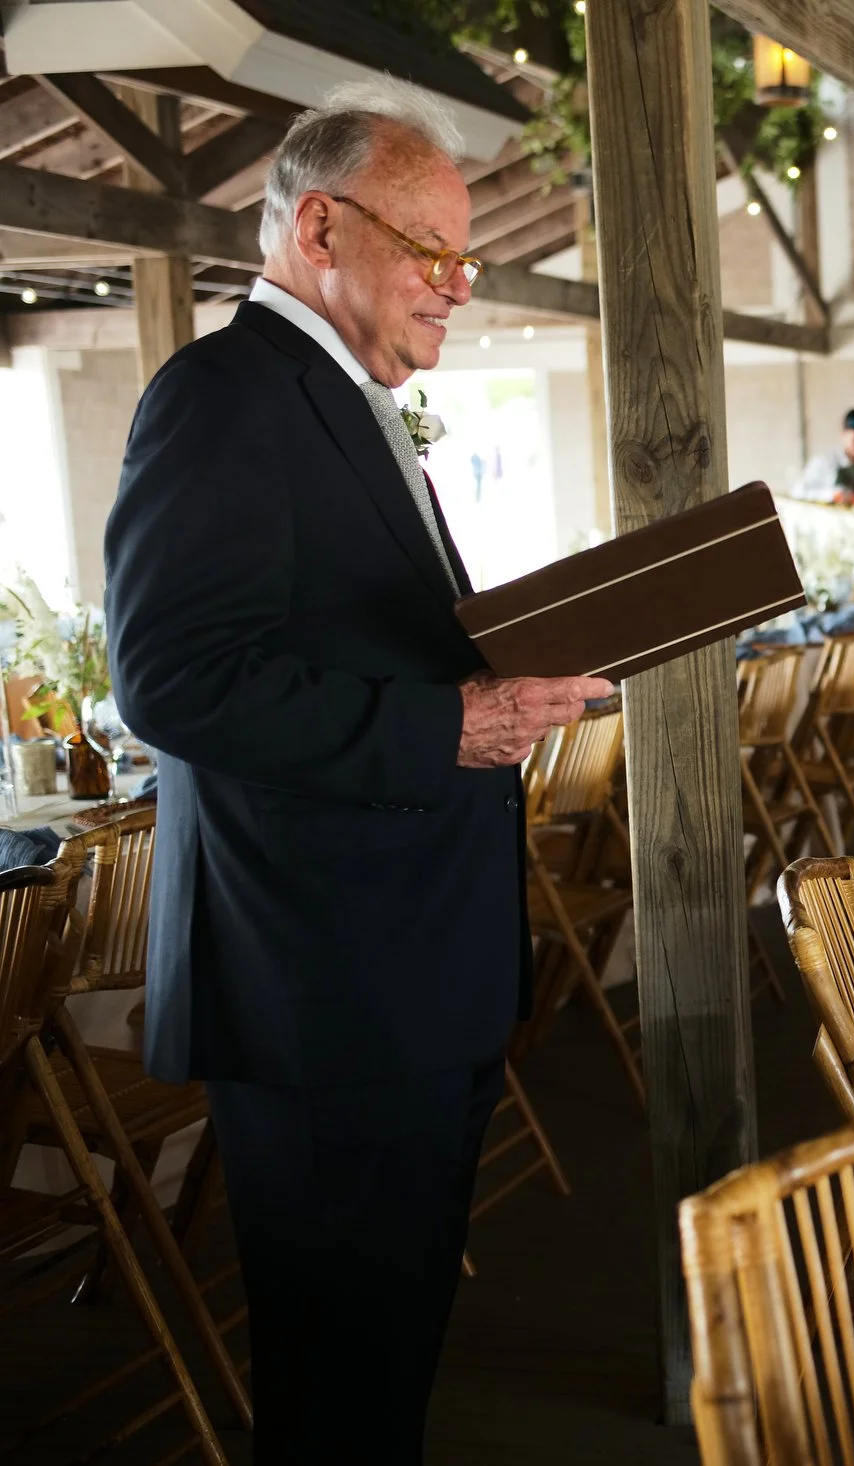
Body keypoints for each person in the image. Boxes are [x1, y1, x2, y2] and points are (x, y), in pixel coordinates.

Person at [104, 80, 611, 1464]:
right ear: (320, 226)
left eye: (466, 256)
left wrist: (518, 667)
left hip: (398, 971)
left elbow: (349, 639)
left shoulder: (345, 395)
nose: (459, 282)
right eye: (432, 248)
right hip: (320, 980)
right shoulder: (220, 396)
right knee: (338, 1388)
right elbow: (169, 678)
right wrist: (451, 726)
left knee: (384, 1367)